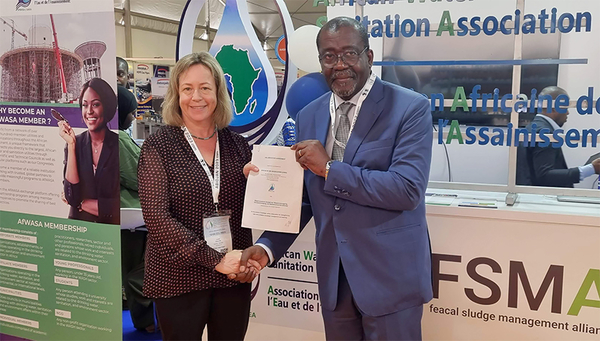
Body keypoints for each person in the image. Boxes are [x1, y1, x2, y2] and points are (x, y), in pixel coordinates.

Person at [234, 17, 434, 340]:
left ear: (368, 57)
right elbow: (304, 198)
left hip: (390, 281)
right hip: (335, 282)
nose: (339, 65)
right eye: (329, 56)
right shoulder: (308, 115)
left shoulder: (410, 108)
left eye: (349, 54)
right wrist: (267, 246)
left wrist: (329, 169)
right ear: (320, 61)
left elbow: (406, 189)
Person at [137, 52, 260, 341]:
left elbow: (252, 207)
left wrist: (254, 183)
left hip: (232, 275)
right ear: (176, 94)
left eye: (205, 88)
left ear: (218, 92)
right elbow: (156, 218)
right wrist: (214, 259)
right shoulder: (158, 146)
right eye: (187, 89)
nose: (197, 97)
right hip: (178, 275)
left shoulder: (238, 146)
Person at [117, 85, 156, 333]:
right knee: (138, 271)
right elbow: (139, 176)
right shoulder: (118, 138)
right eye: (132, 112)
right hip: (132, 217)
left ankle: (146, 322)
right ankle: (147, 323)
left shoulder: (114, 135)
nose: (134, 117)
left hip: (129, 216)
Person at [58, 78, 119, 224]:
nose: (89, 111)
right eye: (85, 105)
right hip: (78, 230)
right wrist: (72, 145)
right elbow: (71, 196)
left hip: (108, 232)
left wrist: (81, 203)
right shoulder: (75, 143)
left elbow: (117, 206)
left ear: (107, 106)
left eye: (96, 104)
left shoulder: (118, 144)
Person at [516, 86, 600, 187]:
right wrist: (591, 169)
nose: (568, 112)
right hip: (543, 199)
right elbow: (545, 175)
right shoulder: (544, 133)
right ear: (553, 108)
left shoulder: (531, 127)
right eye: (565, 108)